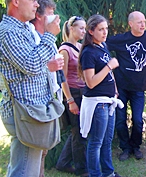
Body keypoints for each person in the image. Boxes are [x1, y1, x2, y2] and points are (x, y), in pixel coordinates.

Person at [0, 0, 62, 177]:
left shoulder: (22, 29)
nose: (36, 4)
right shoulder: (7, 32)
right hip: (25, 113)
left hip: (32, 112)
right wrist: (49, 36)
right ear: (15, 1)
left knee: (24, 167)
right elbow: (31, 65)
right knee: (23, 172)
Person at [106, 11, 146, 161]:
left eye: (144, 21)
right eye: (139, 22)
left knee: (138, 120)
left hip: (138, 89)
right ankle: (125, 148)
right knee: (120, 121)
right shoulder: (121, 39)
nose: (143, 24)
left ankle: (135, 146)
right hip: (120, 88)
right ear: (131, 24)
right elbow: (102, 46)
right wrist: (110, 63)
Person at [78, 14, 122, 177]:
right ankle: (96, 174)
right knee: (96, 142)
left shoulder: (102, 46)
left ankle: (108, 172)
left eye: (106, 29)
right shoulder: (89, 52)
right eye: (101, 29)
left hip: (108, 101)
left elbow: (108, 76)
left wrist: (115, 89)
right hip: (97, 104)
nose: (105, 33)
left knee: (107, 142)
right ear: (90, 31)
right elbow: (90, 82)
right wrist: (109, 66)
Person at [29, 0, 65, 177]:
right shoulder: (32, 37)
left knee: (43, 149)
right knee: (35, 150)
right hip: (36, 102)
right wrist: (48, 67)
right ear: (38, 16)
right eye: (50, 14)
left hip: (50, 98)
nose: (54, 17)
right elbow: (30, 67)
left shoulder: (48, 39)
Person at [55, 16, 88, 176]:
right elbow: (62, 78)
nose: (84, 31)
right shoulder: (64, 50)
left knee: (79, 131)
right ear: (71, 28)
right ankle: (82, 170)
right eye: (81, 28)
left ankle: (63, 163)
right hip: (73, 94)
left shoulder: (80, 46)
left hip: (83, 93)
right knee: (79, 132)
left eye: (85, 28)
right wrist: (70, 100)